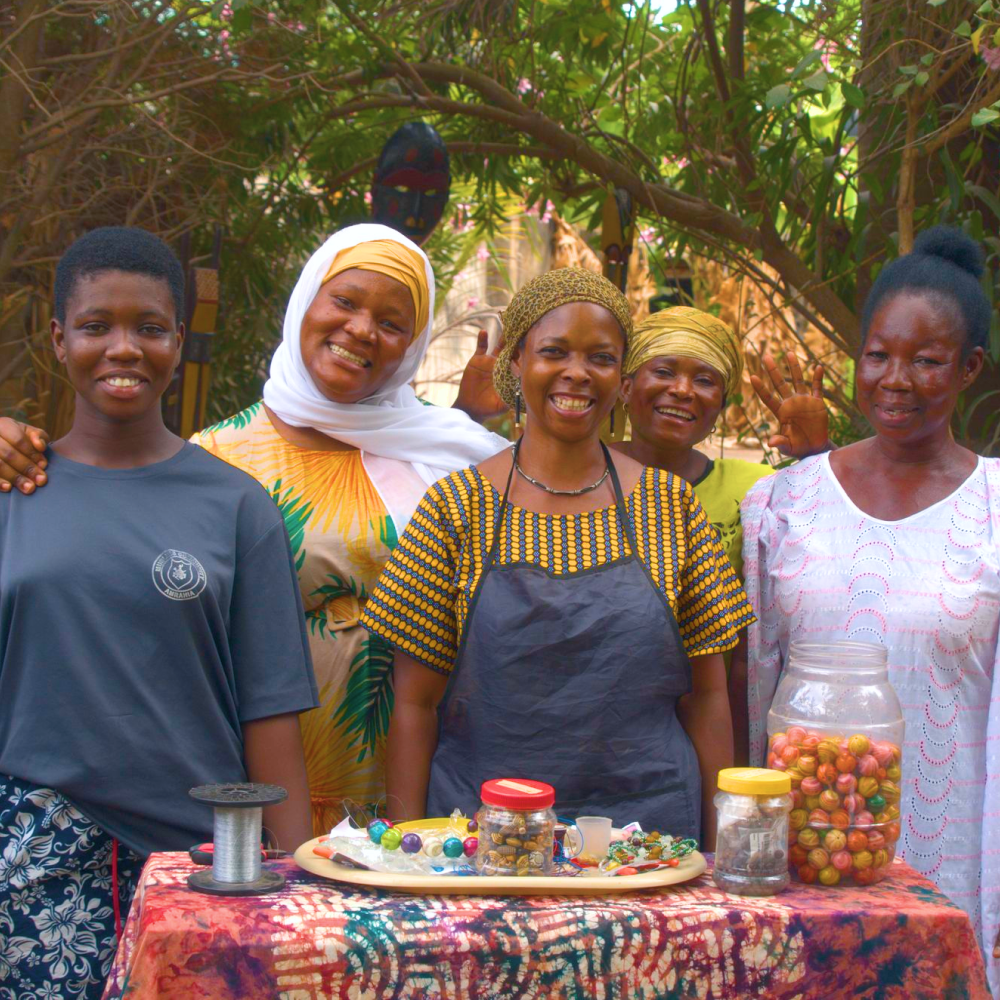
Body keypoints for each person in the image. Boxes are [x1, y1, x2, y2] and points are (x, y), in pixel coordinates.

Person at [0, 224, 508, 838]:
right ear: (305, 303)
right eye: (344, 302)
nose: (361, 330)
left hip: (411, 776)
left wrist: (471, 419)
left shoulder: (449, 451)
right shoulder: (222, 461)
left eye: (393, 321)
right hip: (207, 801)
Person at [0, 227, 317, 1000]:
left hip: (199, 864)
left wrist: (304, 881)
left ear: (178, 340)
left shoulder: (237, 506)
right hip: (33, 862)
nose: (122, 348)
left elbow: (270, 709)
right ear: (57, 339)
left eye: (148, 327)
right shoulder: (11, 490)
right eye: (95, 325)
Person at [359, 267, 755, 847]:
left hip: (647, 845)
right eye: (553, 352)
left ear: (621, 378)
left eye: (601, 357)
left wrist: (723, 854)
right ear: (517, 364)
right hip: (481, 845)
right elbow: (414, 705)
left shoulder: (670, 508)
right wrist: (407, 848)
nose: (576, 373)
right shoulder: (456, 508)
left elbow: (709, 697)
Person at [741, 226, 1000, 989]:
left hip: (953, 857)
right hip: (802, 865)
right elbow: (752, 686)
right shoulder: (782, 505)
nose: (896, 379)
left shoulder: (996, 509)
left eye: (926, 361)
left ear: (969, 369)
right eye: (879, 355)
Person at [612, 306, 830, 761]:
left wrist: (818, 457)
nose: (683, 390)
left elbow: (835, 548)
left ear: (720, 407)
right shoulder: (581, 472)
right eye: (665, 371)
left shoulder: (756, 489)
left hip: (716, 727)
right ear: (625, 386)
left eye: (705, 380)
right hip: (604, 720)